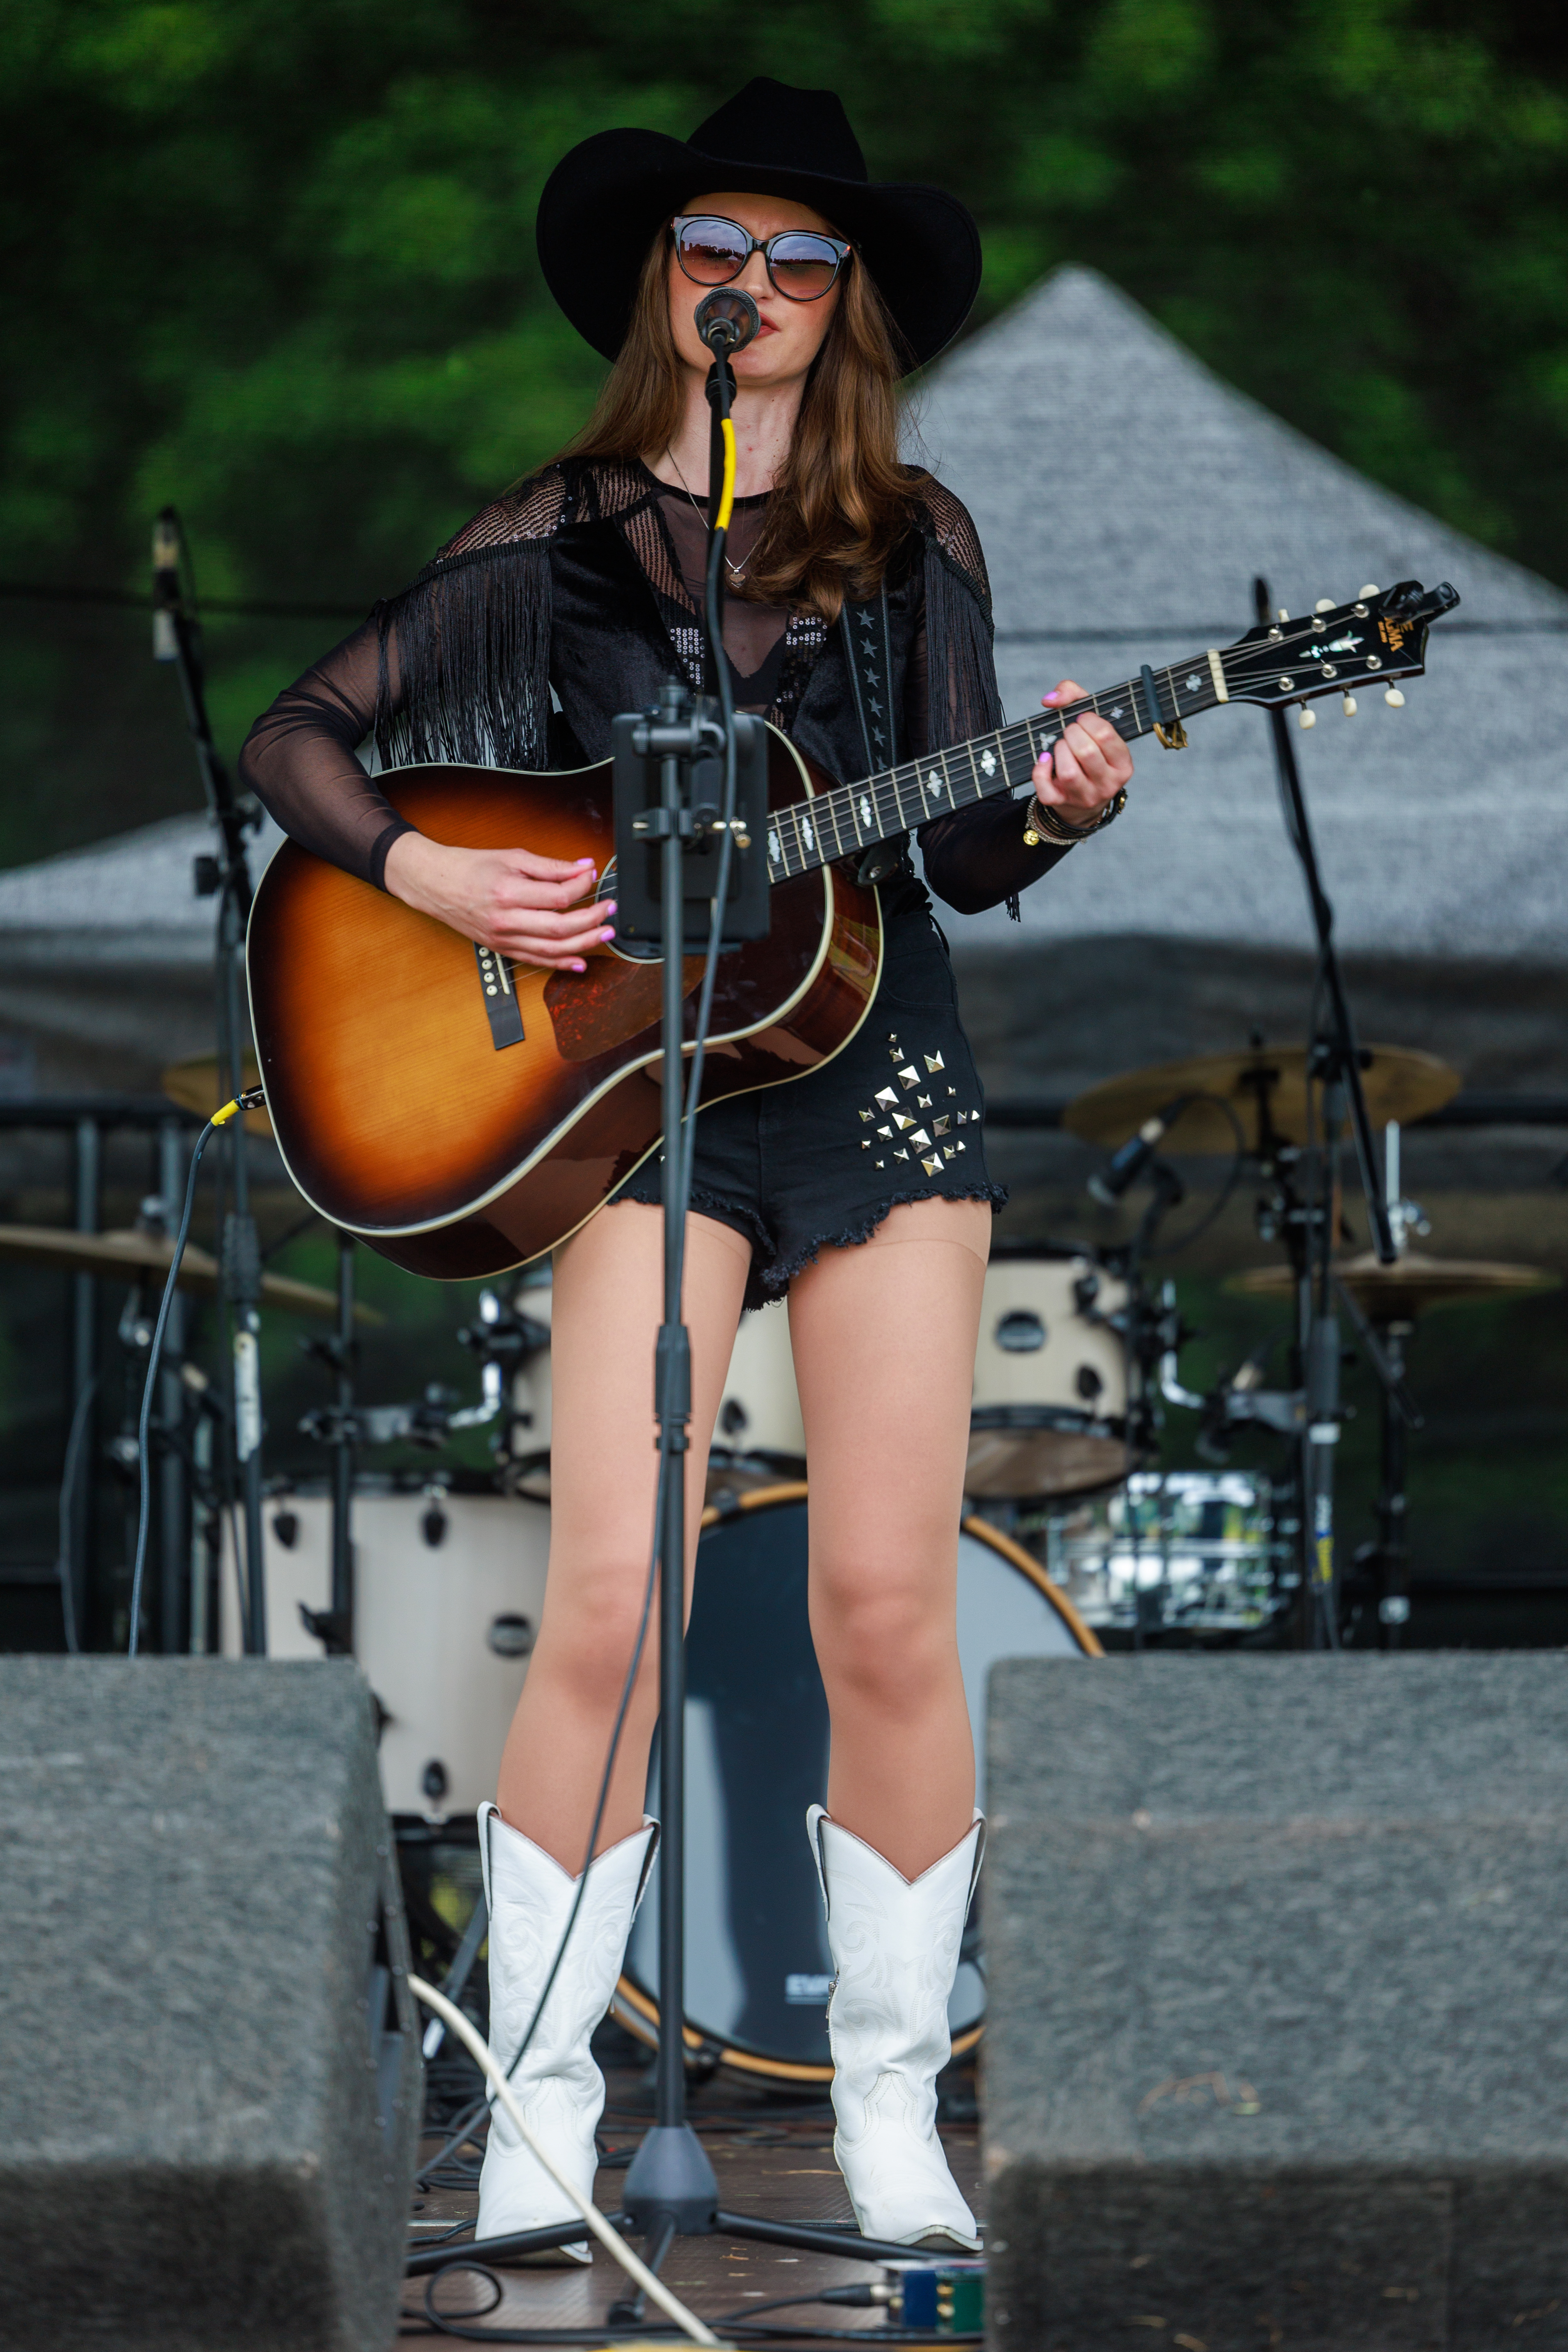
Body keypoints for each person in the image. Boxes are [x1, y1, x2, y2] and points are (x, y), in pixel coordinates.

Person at [239, 77, 1132, 2258]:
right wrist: (441, 866)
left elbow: (950, 847)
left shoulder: (912, 536)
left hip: (875, 1076)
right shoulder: (551, 539)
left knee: (887, 1604)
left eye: (801, 263)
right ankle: (545, 2106)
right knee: (617, 1598)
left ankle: (896, 2109)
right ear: (669, 284)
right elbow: (297, 742)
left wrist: (1065, 803)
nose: (756, 287)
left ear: (849, 312)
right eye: (718, 250)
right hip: (640, 1092)